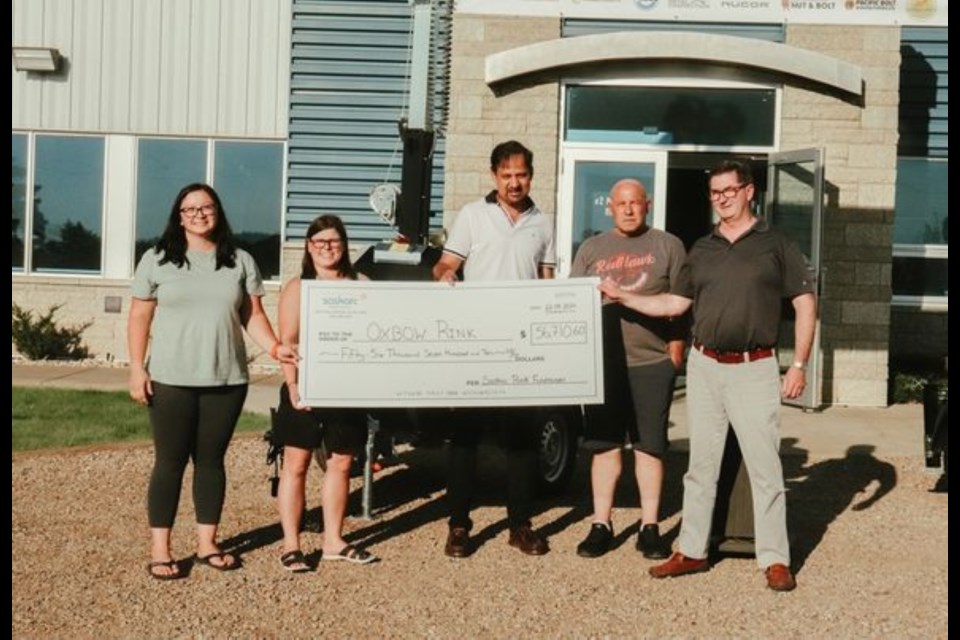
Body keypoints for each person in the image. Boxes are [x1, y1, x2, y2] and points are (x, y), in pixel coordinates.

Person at [600, 159, 816, 592]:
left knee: (765, 468)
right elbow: (673, 305)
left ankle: (775, 559)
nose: (722, 199)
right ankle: (692, 550)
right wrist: (622, 295)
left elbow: (805, 303)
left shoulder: (776, 244)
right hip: (704, 366)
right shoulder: (702, 248)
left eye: (729, 191)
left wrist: (798, 365)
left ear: (749, 191)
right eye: (715, 193)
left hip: (754, 367)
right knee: (701, 467)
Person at [128, 183, 295, 580]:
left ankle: (207, 543)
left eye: (206, 207)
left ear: (218, 211)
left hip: (227, 379)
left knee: (211, 463)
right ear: (178, 216)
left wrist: (274, 348)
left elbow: (251, 315)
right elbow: (139, 317)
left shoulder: (239, 260)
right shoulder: (157, 259)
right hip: (170, 379)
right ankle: (160, 549)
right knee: (169, 463)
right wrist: (137, 367)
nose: (199, 214)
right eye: (190, 209)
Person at [432, 139, 556, 558]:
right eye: (506, 176)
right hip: (476, 343)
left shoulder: (544, 222)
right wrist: (446, 275)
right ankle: (459, 525)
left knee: (521, 442)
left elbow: (547, 282)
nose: (514, 182)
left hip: (520, 347)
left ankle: (520, 524)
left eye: (521, 174)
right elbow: (446, 264)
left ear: (531, 175)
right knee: (464, 438)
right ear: (493, 177)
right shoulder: (473, 215)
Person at [570, 178, 687, 560]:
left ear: (647, 204)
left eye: (636, 202)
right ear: (610, 207)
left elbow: (682, 305)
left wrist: (675, 354)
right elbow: (572, 303)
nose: (629, 209)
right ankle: (600, 524)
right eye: (621, 203)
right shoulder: (591, 248)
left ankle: (649, 527)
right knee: (604, 447)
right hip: (604, 365)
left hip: (652, 362)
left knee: (649, 447)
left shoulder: (668, 245)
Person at [273, 214, 377, 571]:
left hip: (346, 391)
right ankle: (291, 544)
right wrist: (293, 386)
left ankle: (334, 540)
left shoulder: (361, 283)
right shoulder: (297, 288)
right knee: (296, 464)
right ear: (308, 247)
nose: (327, 248)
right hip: (305, 388)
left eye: (333, 241)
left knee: (342, 464)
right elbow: (287, 341)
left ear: (344, 245)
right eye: (319, 242)